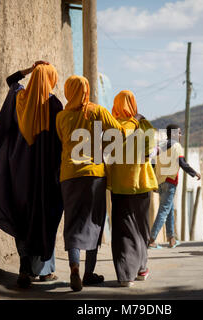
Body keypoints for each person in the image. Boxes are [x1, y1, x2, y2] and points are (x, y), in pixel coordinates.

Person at [0, 61, 64, 289]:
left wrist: (29, 70)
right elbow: (59, 141)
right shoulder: (53, 104)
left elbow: (10, 81)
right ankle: (45, 271)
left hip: (18, 172)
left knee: (22, 217)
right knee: (45, 217)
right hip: (44, 176)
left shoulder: (19, 97)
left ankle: (25, 271)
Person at [56, 75, 127, 292]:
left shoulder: (61, 116)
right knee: (94, 222)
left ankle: (74, 267)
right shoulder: (97, 111)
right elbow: (121, 133)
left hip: (69, 175)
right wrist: (101, 143)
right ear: (86, 90)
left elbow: (62, 140)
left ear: (68, 91)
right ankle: (89, 273)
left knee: (73, 222)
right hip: (94, 174)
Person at [106, 90, 158, 288]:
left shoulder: (112, 125)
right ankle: (142, 268)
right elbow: (150, 149)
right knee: (141, 228)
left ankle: (126, 274)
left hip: (119, 185)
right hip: (141, 183)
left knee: (122, 230)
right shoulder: (143, 124)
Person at [148, 124, 201, 249]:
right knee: (163, 211)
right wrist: (194, 173)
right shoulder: (177, 146)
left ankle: (171, 240)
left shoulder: (160, 145)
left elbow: (153, 164)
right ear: (173, 134)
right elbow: (182, 163)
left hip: (160, 182)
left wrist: (154, 180)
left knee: (169, 210)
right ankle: (151, 239)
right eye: (179, 133)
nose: (181, 135)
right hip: (170, 182)